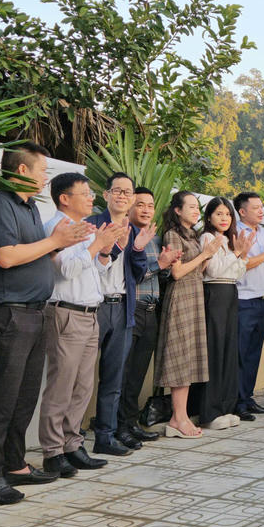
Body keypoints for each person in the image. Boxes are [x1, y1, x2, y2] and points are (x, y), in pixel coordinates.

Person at [0, 143, 92, 505]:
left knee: (24, 397)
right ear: (22, 171)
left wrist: (59, 245)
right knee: (2, 397)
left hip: (35, 311)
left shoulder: (28, 208)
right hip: (7, 313)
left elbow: (35, 252)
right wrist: (55, 240)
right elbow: (5, 257)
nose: (45, 178)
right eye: (42, 171)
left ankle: (14, 463)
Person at [38, 173, 123, 478]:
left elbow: (96, 272)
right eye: (85, 194)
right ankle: (52, 451)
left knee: (83, 385)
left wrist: (103, 250)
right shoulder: (57, 228)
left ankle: (72, 445)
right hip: (66, 313)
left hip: (91, 312)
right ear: (64, 198)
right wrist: (95, 245)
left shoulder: (86, 229)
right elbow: (68, 270)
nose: (91, 199)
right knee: (61, 385)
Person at [85, 173, 149, 455]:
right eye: (117, 191)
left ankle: (105, 437)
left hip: (123, 307)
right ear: (106, 195)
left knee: (114, 377)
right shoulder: (91, 225)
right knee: (81, 376)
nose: (123, 196)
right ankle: (70, 442)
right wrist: (116, 246)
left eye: (127, 192)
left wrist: (136, 248)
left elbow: (138, 273)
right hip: (95, 306)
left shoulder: (134, 229)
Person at [156, 192, 223, 438]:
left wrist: (209, 254)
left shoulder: (191, 234)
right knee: (180, 358)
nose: (196, 211)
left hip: (194, 296)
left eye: (197, 207)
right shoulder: (172, 234)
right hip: (181, 297)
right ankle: (178, 417)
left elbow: (198, 269)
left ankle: (180, 416)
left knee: (190, 357)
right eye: (191, 207)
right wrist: (204, 255)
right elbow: (177, 272)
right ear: (177, 210)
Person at [118, 187, 181, 444]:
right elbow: (129, 276)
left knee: (138, 374)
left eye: (150, 205)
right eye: (140, 204)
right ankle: (116, 426)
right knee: (122, 372)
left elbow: (159, 276)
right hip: (130, 309)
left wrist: (168, 264)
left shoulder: (155, 239)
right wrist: (161, 265)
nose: (146, 210)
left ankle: (130, 423)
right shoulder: (124, 236)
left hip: (152, 311)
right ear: (130, 207)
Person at [200, 197, 252, 430]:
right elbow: (213, 269)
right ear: (209, 216)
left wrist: (240, 254)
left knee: (229, 349)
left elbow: (238, 273)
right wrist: (236, 254)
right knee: (215, 350)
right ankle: (209, 411)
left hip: (230, 291)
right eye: (219, 213)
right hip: (214, 292)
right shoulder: (208, 237)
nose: (224, 218)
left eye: (227, 214)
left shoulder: (230, 240)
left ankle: (225, 406)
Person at [234, 192, 264, 418]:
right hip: (243, 300)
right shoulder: (236, 234)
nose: (261, 210)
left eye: (262, 206)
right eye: (255, 208)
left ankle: (248, 397)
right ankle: (237, 401)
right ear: (242, 211)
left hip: (263, 299)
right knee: (241, 354)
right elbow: (243, 264)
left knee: (254, 354)